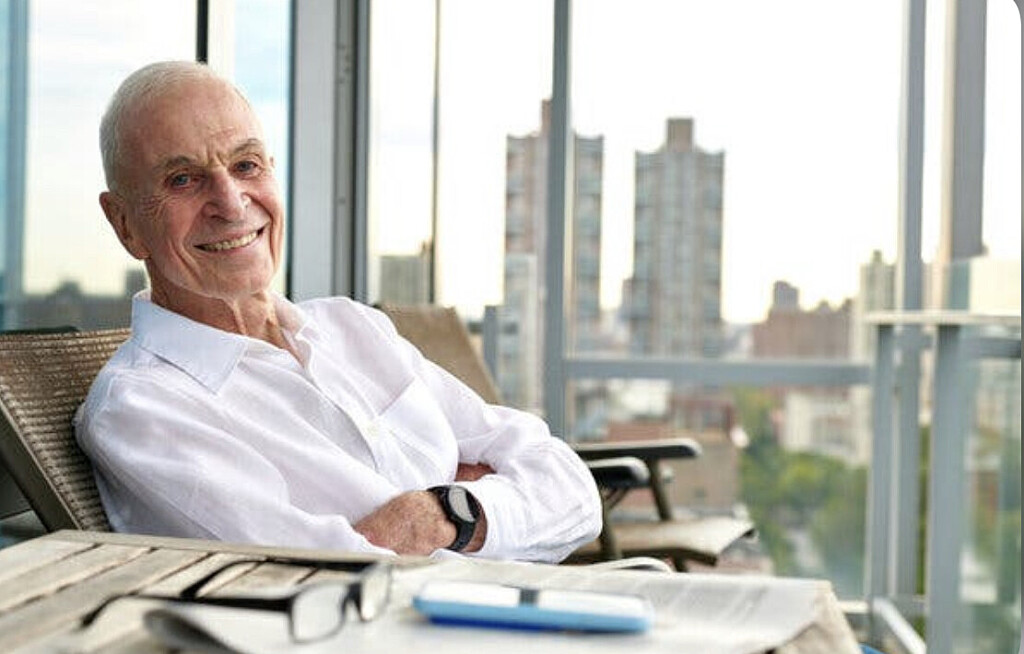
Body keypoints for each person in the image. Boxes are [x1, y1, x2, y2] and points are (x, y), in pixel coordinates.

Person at [74, 61, 602, 563]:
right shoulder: (143, 410)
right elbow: (320, 577)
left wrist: (441, 514)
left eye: (246, 165)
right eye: (182, 180)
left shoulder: (353, 327)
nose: (231, 204)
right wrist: (493, 506)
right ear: (125, 224)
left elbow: (573, 492)